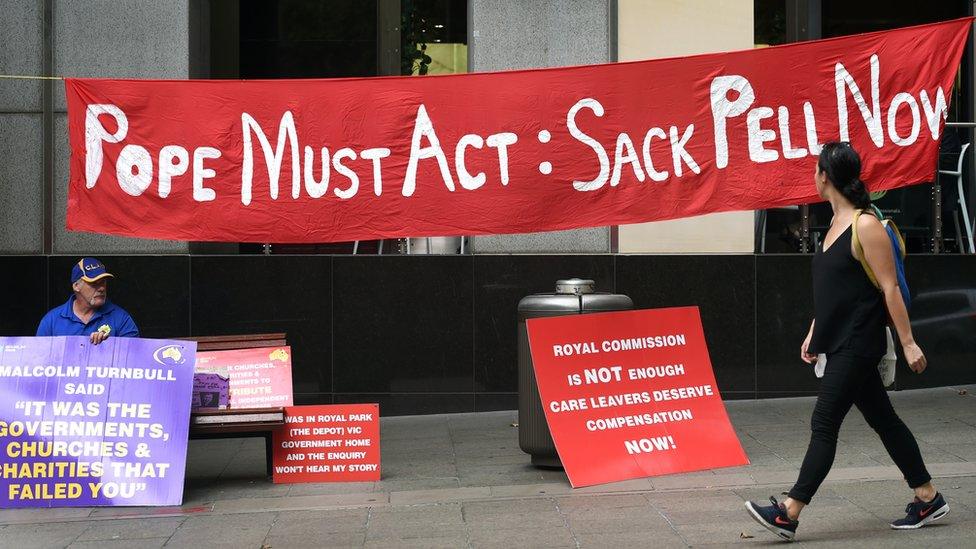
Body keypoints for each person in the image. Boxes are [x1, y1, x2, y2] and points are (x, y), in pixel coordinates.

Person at [744, 142, 947, 541]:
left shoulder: (864, 225)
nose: (813, 176)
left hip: (859, 341)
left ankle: (789, 511)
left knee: (824, 422)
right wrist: (815, 330)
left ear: (825, 176)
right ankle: (928, 496)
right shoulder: (834, 225)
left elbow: (888, 288)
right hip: (839, 338)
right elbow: (838, 289)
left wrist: (908, 343)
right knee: (885, 421)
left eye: (816, 170)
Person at [36, 258, 139, 344]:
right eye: (94, 283)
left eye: (103, 282)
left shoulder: (121, 319)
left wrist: (109, 345)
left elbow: (134, 357)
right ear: (76, 286)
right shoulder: (51, 320)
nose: (101, 288)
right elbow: (39, 358)